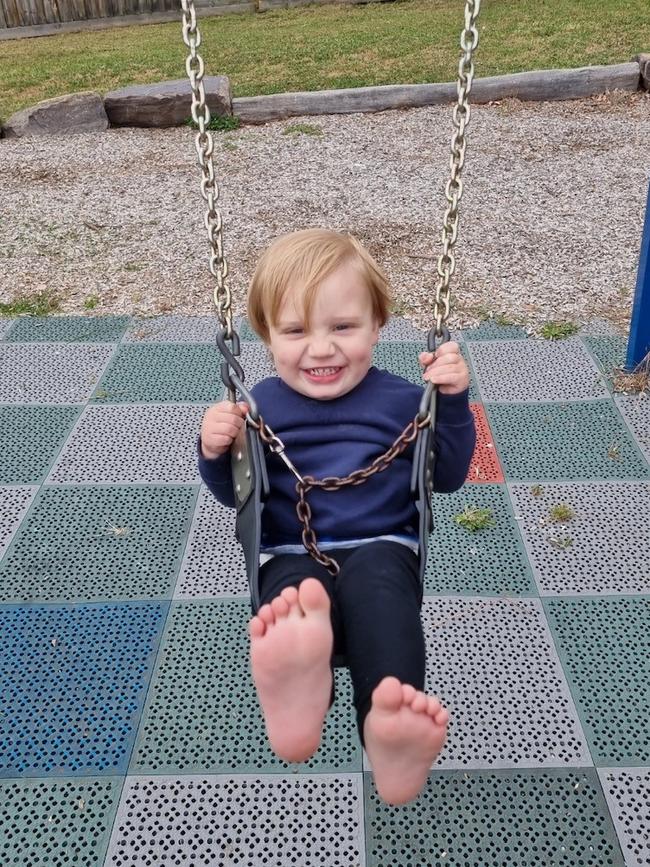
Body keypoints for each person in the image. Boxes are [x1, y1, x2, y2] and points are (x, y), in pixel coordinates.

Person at [198, 228, 475, 805]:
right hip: (292, 553)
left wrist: (450, 403)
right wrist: (214, 450)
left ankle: (387, 725)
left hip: (384, 545)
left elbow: (444, 477)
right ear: (266, 336)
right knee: (300, 605)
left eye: (342, 327)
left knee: (382, 600)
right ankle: (300, 692)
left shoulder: (405, 400)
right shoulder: (257, 408)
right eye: (296, 331)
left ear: (378, 326)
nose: (320, 349)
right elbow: (237, 496)